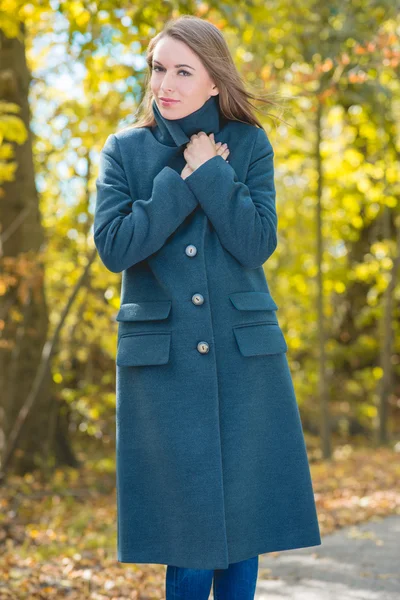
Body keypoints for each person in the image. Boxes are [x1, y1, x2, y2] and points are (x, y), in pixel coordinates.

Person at [94, 14, 321, 600]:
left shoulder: (248, 145)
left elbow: (255, 243)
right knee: (187, 542)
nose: (164, 83)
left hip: (245, 361)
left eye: (182, 71)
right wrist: (182, 180)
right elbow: (115, 249)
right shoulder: (124, 149)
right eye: (158, 68)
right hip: (164, 368)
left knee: (242, 531)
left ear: (214, 81)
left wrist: (216, 172)